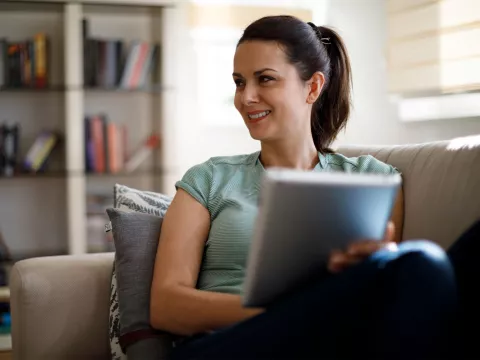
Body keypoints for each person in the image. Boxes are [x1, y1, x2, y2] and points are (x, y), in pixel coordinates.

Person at [150, 15, 479, 359]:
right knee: (422, 264)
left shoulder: (372, 178)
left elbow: (380, 289)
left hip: (330, 338)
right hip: (228, 344)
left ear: (313, 87)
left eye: (265, 79)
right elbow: (166, 305)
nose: (246, 97)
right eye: (239, 82)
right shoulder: (208, 179)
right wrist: (287, 310)